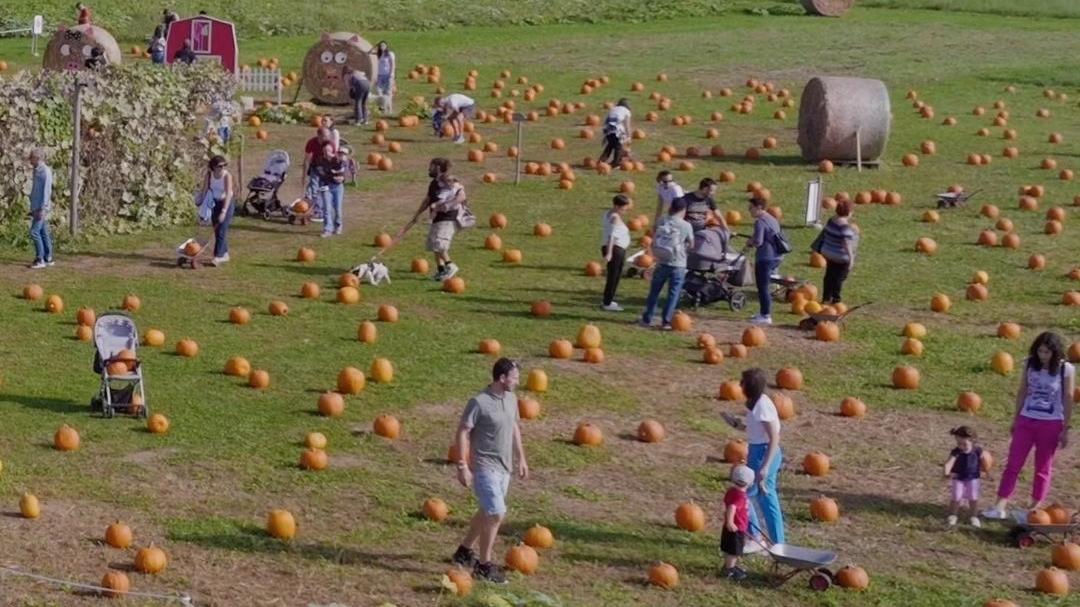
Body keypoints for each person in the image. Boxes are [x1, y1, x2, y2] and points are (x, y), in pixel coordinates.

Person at [451, 358, 529, 584]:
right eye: (514, 377)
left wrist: (521, 458)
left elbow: (514, 427)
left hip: (505, 467)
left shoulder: (512, 399)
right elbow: (463, 432)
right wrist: (462, 466)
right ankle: (484, 566)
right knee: (496, 513)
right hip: (484, 467)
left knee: (487, 511)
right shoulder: (479, 402)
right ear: (502, 378)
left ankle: (464, 551)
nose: (518, 381)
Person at [984, 332, 1075, 519]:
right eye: (1040, 351)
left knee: (1042, 467)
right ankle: (1000, 504)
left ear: (1055, 352)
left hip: (1051, 424)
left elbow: (1068, 398)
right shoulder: (1029, 365)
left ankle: (1034, 507)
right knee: (1013, 464)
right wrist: (1016, 419)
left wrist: (1065, 428)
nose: (1043, 356)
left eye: (1047, 352)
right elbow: (1022, 391)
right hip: (1027, 419)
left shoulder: (1066, 369)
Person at [722, 367, 786, 546]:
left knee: (747, 496)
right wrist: (735, 423)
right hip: (757, 450)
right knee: (761, 497)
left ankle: (757, 538)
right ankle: (770, 540)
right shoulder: (757, 403)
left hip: (763, 453)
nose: (740, 386)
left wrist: (765, 466)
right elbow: (755, 430)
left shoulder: (762, 406)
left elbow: (774, 437)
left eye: (742, 383)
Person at [639, 197, 693, 330]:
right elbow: (692, 244)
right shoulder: (686, 225)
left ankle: (647, 318)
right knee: (673, 294)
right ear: (683, 210)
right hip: (678, 263)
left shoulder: (662, 220)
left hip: (662, 261)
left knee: (654, 291)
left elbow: (655, 236)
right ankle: (666, 321)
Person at [744, 197, 784, 325]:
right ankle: (763, 313)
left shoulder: (760, 222)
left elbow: (758, 241)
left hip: (765, 258)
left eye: (751, 208)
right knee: (765, 286)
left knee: (762, 287)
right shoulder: (772, 219)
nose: (749, 211)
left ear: (759, 208)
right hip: (776, 257)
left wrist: (750, 242)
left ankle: (766, 315)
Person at [812, 199, 858, 304]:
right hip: (840, 257)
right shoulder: (845, 227)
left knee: (829, 275)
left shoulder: (831, 220)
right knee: (840, 277)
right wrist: (851, 259)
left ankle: (826, 297)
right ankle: (836, 299)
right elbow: (846, 244)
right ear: (849, 213)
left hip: (828, 253)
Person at [943, 426, 985, 528]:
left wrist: (986, 471)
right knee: (956, 497)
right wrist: (946, 473)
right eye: (959, 443)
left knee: (973, 497)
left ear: (972, 440)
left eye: (964, 444)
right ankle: (953, 515)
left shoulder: (977, 451)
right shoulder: (956, 452)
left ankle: (974, 516)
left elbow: (984, 461)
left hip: (973, 478)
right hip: (958, 478)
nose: (961, 446)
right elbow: (949, 463)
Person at [196, 155, 234, 265]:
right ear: (213, 167)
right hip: (214, 202)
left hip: (226, 203)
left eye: (224, 165)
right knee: (216, 229)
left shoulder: (227, 176)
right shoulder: (209, 175)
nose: (222, 168)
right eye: (220, 166)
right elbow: (205, 190)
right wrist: (200, 202)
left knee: (222, 229)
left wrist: (224, 211)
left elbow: (228, 195)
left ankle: (218, 256)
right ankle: (225, 254)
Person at [720, 464, 755, 581]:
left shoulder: (732, 491)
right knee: (734, 551)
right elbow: (732, 507)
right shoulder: (740, 496)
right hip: (736, 529)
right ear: (750, 483)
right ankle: (729, 571)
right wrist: (730, 522)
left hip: (733, 527)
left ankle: (729, 566)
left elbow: (729, 504)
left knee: (730, 549)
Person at [600, 194, 632, 312]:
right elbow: (611, 236)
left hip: (612, 248)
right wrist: (609, 253)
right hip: (615, 249)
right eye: (623, 209)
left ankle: (607, 299)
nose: (625, 211)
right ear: (617, 206)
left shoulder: (608, 213)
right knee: (614, 276)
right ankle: (607, 303)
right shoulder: (615, 218)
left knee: (613, 275)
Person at [27, 148, 55, 269]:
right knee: (43, 232)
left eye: (31, 157)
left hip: (41, 208)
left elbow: (46, 191)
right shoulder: (36, 170)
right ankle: (48, 257)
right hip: (36, 206)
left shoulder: (45, 172)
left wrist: (42, 208)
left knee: (34, 232)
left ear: (37, 158)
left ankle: (40, 259)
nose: (29, 160)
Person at [312, 143, 346, 237]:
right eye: (325, 150)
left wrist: (341, 178)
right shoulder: (319, 161)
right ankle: (328, 229)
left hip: (338, 187)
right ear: (323, 151)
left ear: (332, 151)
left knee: (337, 208)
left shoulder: (338, 160)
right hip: (326, 186)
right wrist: (332, 175)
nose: (327, 152)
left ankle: (338, 226)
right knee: (327, 208)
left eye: (329, 150)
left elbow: (342, 173)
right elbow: (320, 173)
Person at [302, 127, 332, 221]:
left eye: (328, 135)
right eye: (326, 136)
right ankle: (318, 211)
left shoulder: (330, 144)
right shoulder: (311, 143)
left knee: (324, 189)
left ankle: (323, 211)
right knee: (314, 189)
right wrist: (303, 176)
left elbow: (334, 160)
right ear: (319, 136)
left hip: (326, 168)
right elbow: (306, 160)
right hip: (315, 167)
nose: (328, 138)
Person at [598, 99, 631, 166]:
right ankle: (616, 163)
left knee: (610, 145)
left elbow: (607, 120)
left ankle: (601, 160)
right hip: (616, 129)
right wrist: (629, 136)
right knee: (618, 147)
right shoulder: (627, 111)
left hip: (608, 128)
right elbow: (627, 125)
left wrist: (605, 136)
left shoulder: (614, 109)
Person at [371, 41, 396, 114]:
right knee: (379, 92)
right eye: (381, 46)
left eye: (384, 45)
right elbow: (369, 53)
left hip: (388, 75)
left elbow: (393, 64)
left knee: (388, 92)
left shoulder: (390, 54)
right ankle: (382, 107)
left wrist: (391, 74)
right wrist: (374, 46)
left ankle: (390, 109)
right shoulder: (378, 55)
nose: (382, 47)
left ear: (386, 46)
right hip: (379, 75)